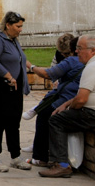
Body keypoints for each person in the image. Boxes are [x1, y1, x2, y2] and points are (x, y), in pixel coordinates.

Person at [39, 35, 95, 178]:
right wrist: (66, 104)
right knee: (61, 114)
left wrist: (67, 109)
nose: (76, 51)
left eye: (80, 48)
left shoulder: (93, 67)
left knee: (56, 120)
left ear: (92, 50)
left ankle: (61, 165)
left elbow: (81, 100)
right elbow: (82, 96)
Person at [23, 35, 84, 167]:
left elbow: (48, 74)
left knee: (44, 115)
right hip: (75, 96)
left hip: (68, 98)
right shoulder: (89, 61)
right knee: (50, 101)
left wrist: (30, 66)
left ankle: (40, 157)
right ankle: (35, 110)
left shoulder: (71, 61)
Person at [0, 11, 32, 173]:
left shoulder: (13, 40)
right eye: (18, 26)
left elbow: (20, 59)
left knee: (13, 123)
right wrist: (7, 75)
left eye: (21, 26)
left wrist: (32, 67)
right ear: (8, 25)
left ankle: (15, 156)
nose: (20, 30)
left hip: (14, 90)